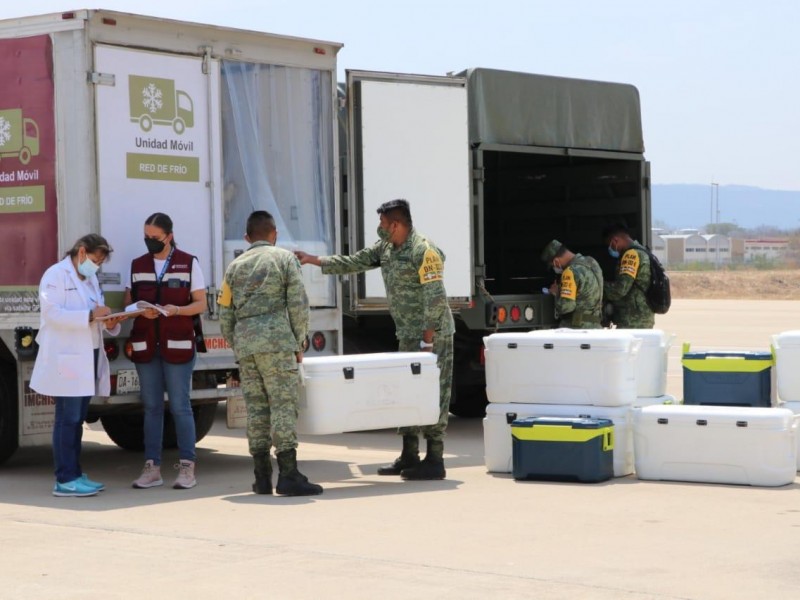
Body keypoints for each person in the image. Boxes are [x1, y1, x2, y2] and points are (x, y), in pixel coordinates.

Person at [296, 199, 455, 480]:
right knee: (409, 392)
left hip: (434, 336)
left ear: (395, 224)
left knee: (435, 393)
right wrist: (313, 260)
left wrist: (427, 341)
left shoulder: (424, 250)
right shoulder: (385, 249)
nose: (379, 228)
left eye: (382, 223)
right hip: (407, 335)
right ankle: (409, 455)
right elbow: (354, 261)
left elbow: (435, 299)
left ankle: (435, 459)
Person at [218, 210, 322, 496]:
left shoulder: (234, 267)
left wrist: (239, 344)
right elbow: (298, 305)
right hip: (277, 344)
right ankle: (288, 474)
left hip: (247, 346)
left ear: (247, 238)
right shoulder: (285, 259)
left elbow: (224, 312)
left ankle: (261, 477)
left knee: (257, 410)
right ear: (274, 234)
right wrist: (299, 342)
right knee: (283, 407)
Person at [30, 234, 124, 497]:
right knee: (67, 418)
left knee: (78, 418)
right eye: (95, 260)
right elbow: (52, 313)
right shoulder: (55, 275)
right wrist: (92, 315)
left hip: (88, 353)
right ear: (81, 252)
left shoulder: (90, 278)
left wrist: (110, 320)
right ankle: (65, 478)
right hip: (67, 357)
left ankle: (75, 472)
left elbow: (95, 311)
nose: (96, 266)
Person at [125, 213, 208, 490]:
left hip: (178, 344)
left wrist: (177, 310)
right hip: (146, 344)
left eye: (155, 238)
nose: (149, 242)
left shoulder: (188, 262)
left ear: (169, 236)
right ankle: (152, 468)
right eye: (146, 237)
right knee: (151, 408)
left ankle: (187, 468)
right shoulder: (138, 265)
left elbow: (200, 304)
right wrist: (138, 310)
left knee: (181, 406)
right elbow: (129, 303)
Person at [540, 239, 604, 329]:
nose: (554, 268)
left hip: (577, 329)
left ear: (556, 262)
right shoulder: (592, 262)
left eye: (552, 266)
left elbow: (566, 307)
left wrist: (557, 293)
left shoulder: (570, 271)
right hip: (596, 327)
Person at [602, 222, 655, 328]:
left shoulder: (631, 255)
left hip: (632, 320)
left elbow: (619, 290)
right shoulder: (642, 251)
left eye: (610, 245)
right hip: (642, 317)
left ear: (615, 240)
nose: (611, 248)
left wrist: (598, 286)